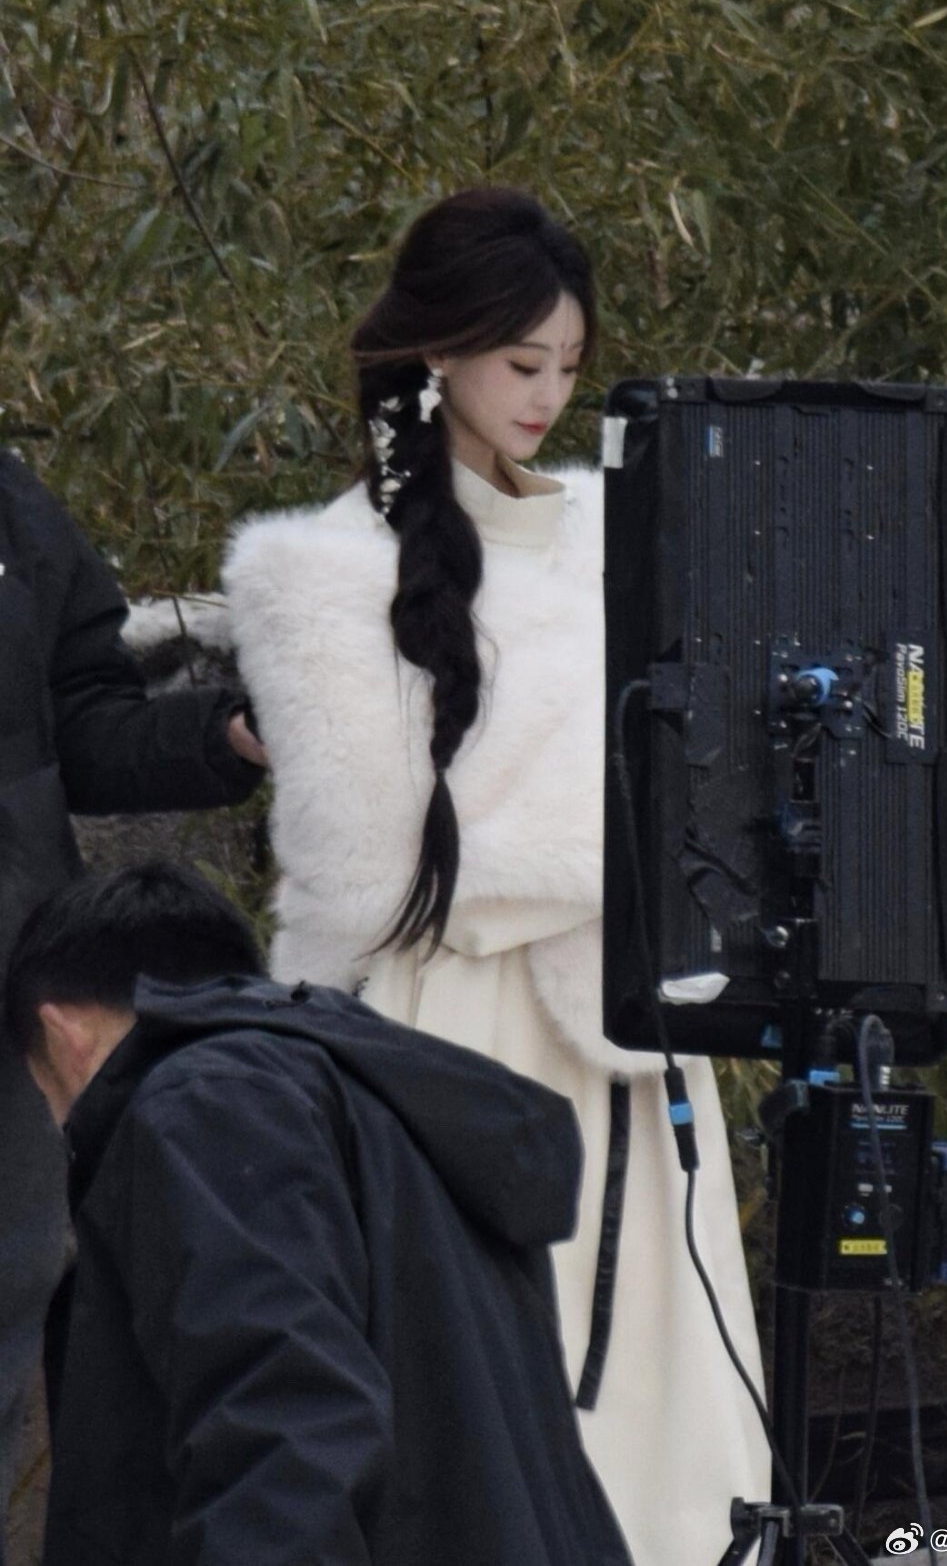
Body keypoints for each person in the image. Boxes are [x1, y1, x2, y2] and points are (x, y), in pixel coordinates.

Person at [223, 186, 770, 1566]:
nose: (549, 395)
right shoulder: (320, 570)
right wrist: (619, 836)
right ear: (440, 350)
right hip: (444, 1047)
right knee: (477, 1427)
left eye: (570, 366)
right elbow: (371, 874)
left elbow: (720, 788)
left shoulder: (623, 532)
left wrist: (596, 838)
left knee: (664, 1440)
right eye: (524, 362)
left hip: (625, 1037)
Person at [4, 861, 633, 1566]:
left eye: (48, 1097)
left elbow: (282, 1423)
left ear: (62, 1034)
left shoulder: (207, 1104)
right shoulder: (398, 1118)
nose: (63, 1127)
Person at [0, 444, 267, 1559]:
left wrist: (224, 734)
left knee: (13, 1297)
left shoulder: (12, 502)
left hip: (10, 986)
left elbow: (83, 720)